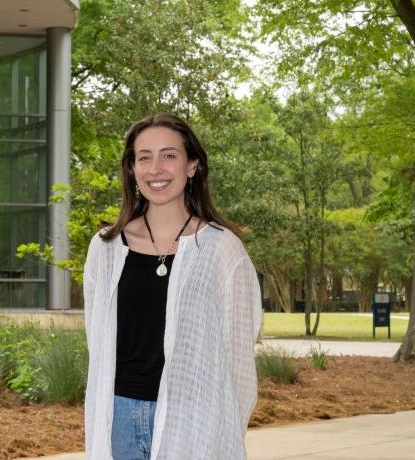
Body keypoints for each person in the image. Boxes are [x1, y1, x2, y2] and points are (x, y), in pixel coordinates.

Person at [83, 113, 262, 459]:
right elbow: (97, 342)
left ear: (192, 165)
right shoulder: (106, 249)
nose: (156, 169)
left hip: (192, 415)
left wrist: (225, 428)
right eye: (144, 157)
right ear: (132, 169)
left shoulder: (221, 249)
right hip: (119, 414)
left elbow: (239, 354)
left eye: (169, 155)